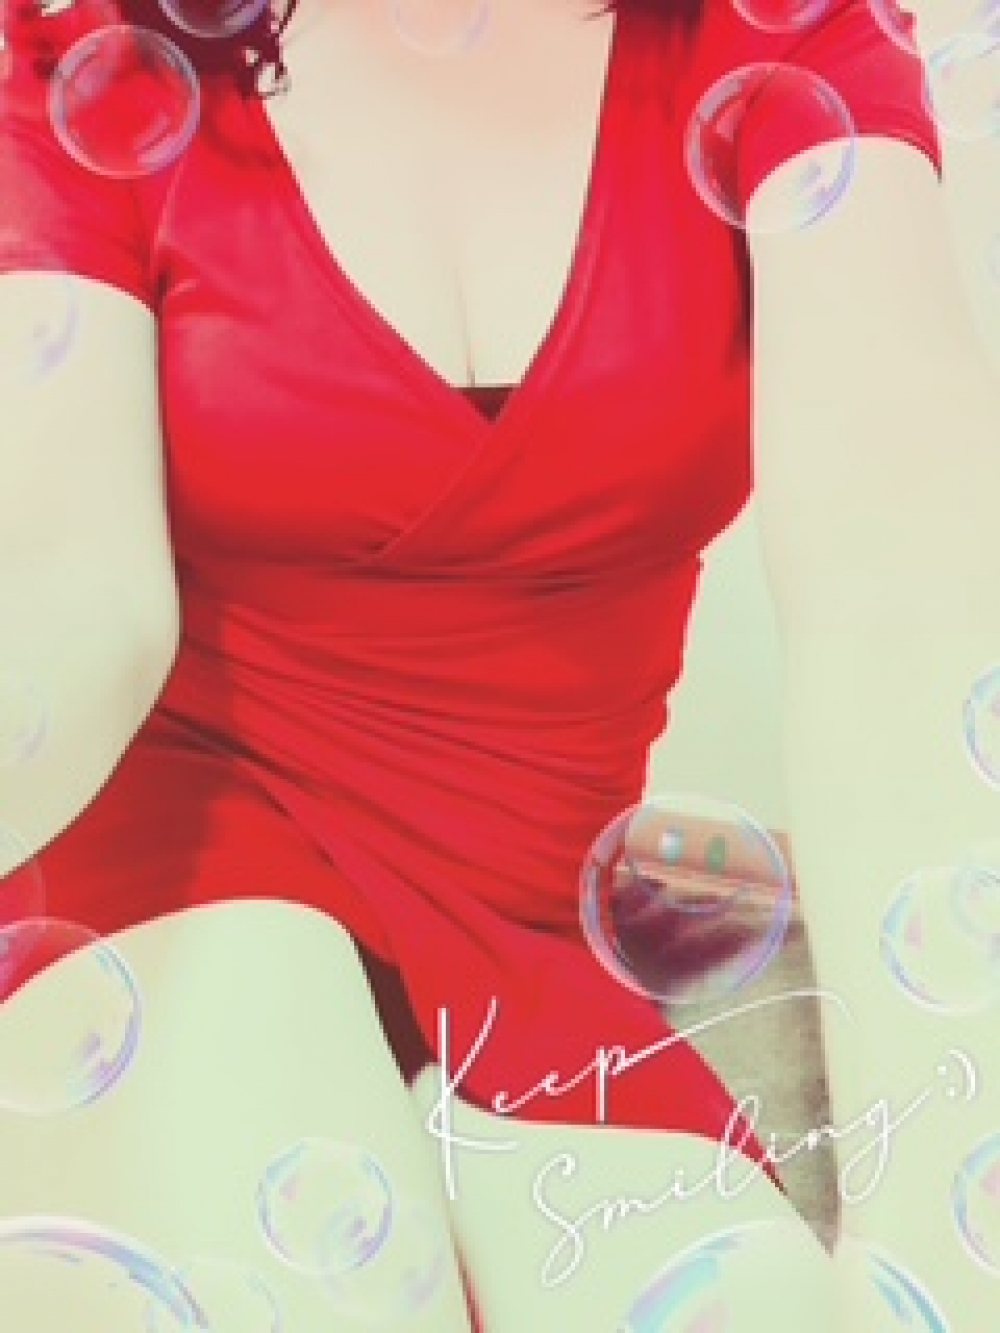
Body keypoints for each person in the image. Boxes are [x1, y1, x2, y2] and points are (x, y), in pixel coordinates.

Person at [1, 0, 998, 1327]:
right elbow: (69, 597)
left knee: (765, 1306)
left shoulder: (781, 36)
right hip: (174, 868)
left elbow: (905, 589)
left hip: (527, 926)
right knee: (314, 1289)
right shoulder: (86, 47)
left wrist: (944, 1253)